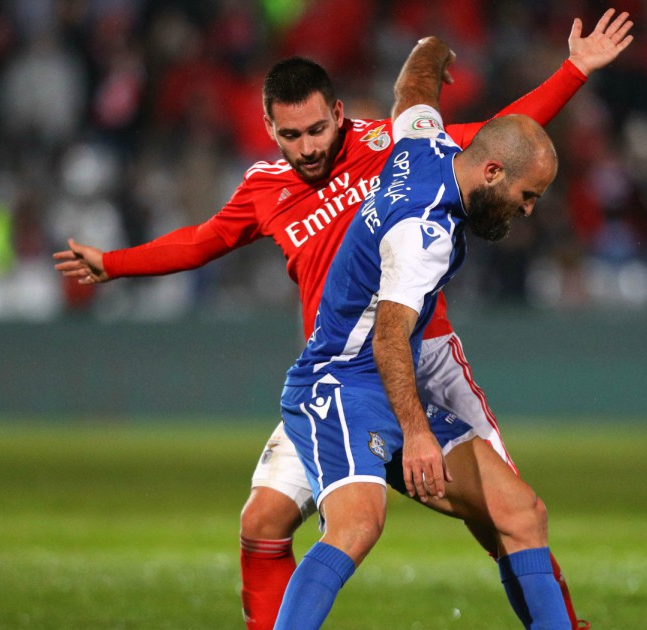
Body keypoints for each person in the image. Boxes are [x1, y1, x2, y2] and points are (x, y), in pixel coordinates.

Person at [54, 11, 634, 628]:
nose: (306, 147)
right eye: (289, 135)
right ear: (271, 131)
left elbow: (501, 142)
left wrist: (569, 70)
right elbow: (201, 241)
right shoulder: (265, 189)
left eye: (315, 130)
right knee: (264, 520)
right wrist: (114, 263)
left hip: (425, 353)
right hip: (344, 370)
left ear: (337, 114)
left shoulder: (390, 147)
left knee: (508, 521)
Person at [273, 35, 572, 628]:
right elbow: (388, 336)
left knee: (522, 513)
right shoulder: (424, 235)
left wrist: (434, 49)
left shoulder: (421, 143)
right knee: (357, 524)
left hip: (386, 381)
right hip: (337, 384)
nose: (528, 210)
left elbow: (412, 88)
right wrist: (418, 434)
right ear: (491, 171)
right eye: (525, 195)